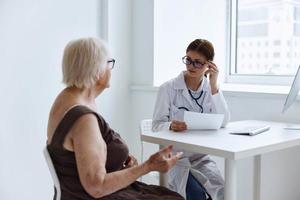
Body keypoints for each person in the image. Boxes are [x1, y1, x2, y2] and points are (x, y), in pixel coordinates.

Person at [46, 37, 184, 200]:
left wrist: (122, 166)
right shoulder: (83, 119)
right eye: (109, 63)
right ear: (96, 70)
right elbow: (96, 187)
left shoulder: (66, 99)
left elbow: (80, 162)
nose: (111, 69)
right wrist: (148, 166)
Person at [152, 39, 230, 200]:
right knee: (195, 195)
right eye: (188, 60)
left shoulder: (210, 89)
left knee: (223, 192)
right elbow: (156, 125)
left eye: (197, 63)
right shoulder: (168, 88)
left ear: (209, 65)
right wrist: (170, 125)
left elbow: (224, 121)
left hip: (201, 158)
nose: (191, 66)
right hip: (175, 159)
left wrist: (214, 85)